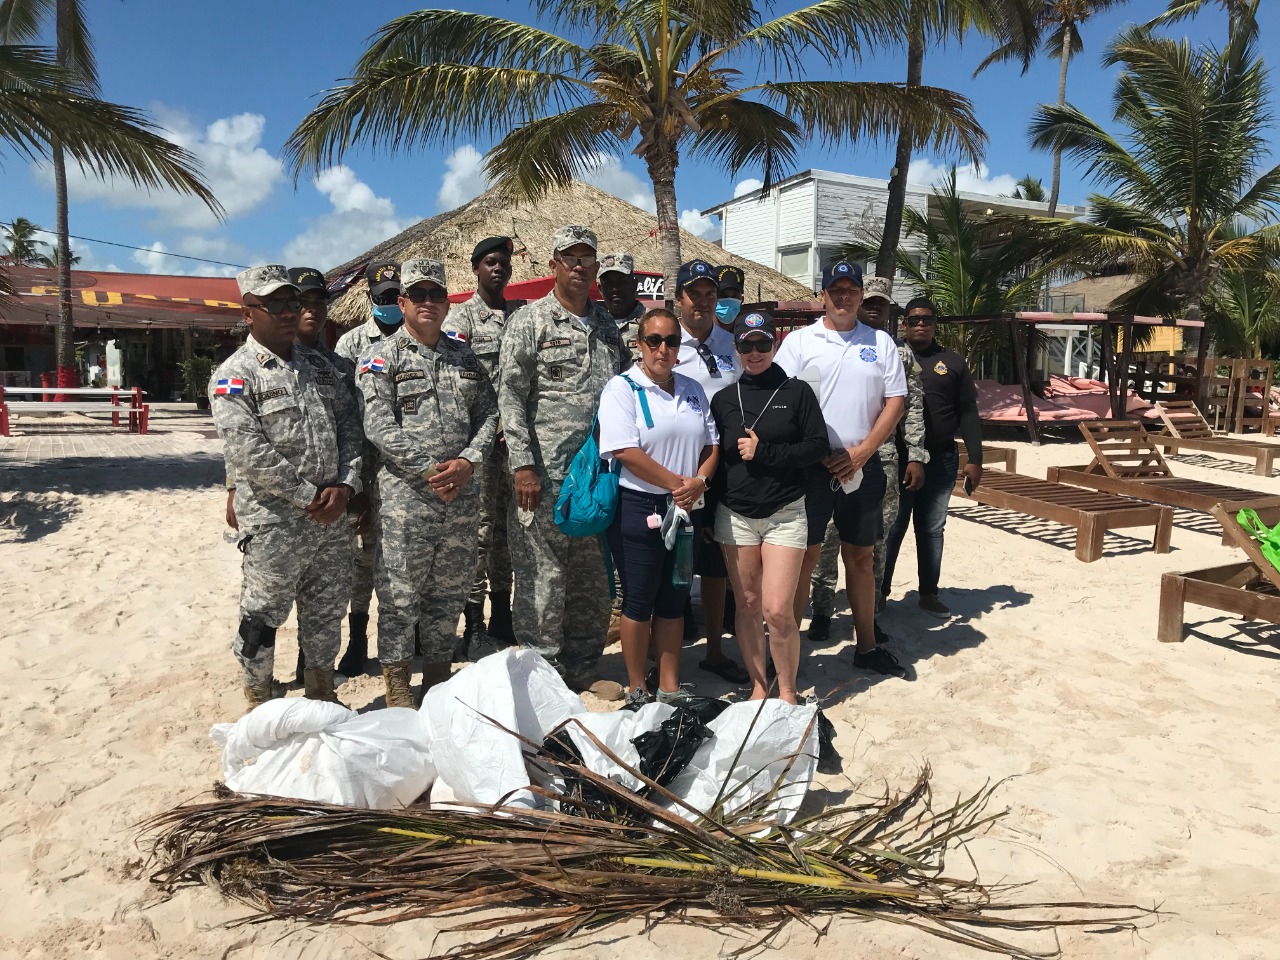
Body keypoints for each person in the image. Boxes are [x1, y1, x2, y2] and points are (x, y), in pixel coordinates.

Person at [210, 265, 363, 711]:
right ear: (248, 313)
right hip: (275, 523)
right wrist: (308, 496)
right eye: (274, 303)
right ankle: (259, 699)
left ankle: (321, 693)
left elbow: (351, 429)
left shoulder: (322, 368)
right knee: (261, 616)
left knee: (326, 612)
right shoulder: (235, 375)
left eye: (292, 302)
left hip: (331, 520)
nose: (288, 311)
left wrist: (346, 486)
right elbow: (248, 451)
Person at [358, 259, 499, 708]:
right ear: (402, 303)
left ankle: (437, 681)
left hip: (460, 498)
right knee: (399, 597)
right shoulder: (382, 358)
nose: (427, 302)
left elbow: (489, 414)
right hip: (407, 501)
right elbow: (378, 425)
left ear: (446, 303)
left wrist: (468, 461)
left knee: (449, 593)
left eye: (435, 295)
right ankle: (399, 689)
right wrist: (431, 470)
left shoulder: (465, 356)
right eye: (417, 295)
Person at [497, 225, 627, 700]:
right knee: (542, 580)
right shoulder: (530, 321)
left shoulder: (607, 326)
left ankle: (582, 667)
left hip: (595, 477)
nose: (578, 266)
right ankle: (543, 675)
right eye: (569, 257)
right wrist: (523, 465)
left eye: (586, 258)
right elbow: (510, 395)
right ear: (553, 265)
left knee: (591, 579)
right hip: (545, 477)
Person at [775, 260, 910, 680]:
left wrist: (863, 452)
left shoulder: (880, 342)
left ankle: (866, 646)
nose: (844, 297)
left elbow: (895, 402)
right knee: (804, 558)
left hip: (862, 466)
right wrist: (814, 451)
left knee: (861, 557)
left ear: (861, 296)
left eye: (851, 290)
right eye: (836, 290)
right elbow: (783, 401)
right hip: (810, 469)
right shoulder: (799, 342)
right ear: (823, 295)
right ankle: (787, 657)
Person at [599, 307, 719, 706]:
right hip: (640, 507)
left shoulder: (692, 389)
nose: (662, 349)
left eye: (671, 341)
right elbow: (624, 450)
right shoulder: (622, 389)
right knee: (639, 600)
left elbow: (712, 444)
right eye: (654, 340)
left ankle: (669, 686)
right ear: (639, 344)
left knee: (674, 598)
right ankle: (637, 687)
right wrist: (678, 485)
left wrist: (699, 482)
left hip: (687, 507)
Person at [712, 311, 828, 703]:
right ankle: (759, 686)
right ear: (736, 348)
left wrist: (765, 452)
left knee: (777, 609)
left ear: (775, 344)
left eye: (763, 343)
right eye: (746, 345)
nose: (755, 352)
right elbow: (716, 459)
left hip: (785, 513)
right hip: (735, 515)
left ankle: (788, 689)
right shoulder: (724, 399)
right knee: (747, 605)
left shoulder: (797, 392)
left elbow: (817, 447)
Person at [807, 276, 927, 643]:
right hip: (829, 460)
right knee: (826, 540)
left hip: (880, 459)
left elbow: (910, 406)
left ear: (889, 309)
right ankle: (822, 610)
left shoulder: (895, 350)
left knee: (874, 542)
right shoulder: (819, 342)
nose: (874, 308)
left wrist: (916, 454)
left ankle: (870, 616)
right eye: (869, 302)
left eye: (880, 304)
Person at [672, 258, 748, 685]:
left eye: (709, 294)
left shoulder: (732, 344)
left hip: (725, 470)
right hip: (680, 469)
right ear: (678, 298)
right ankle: (663, 655)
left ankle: (715, 652)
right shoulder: (666, 344)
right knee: (673, 561)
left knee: (718, 566)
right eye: (694, 294)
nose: (702, 302)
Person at [882, 297, 983, 617]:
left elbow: (968, 411)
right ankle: (880, 592)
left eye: (926, 319)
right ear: (905, 324)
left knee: (931, 529)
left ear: (935, 323)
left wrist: (975, 458)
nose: (920, 325)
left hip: (941, 458)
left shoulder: (952, 362)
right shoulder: (890, 356)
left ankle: (929, 593)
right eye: (913, 320)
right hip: (899, 458)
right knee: (892, 527)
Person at [332, 261, 405, 674]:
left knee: (405, 556)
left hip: (406, 471)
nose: (388, 302)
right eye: (382, 297)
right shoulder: (351, 344)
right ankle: (358, 638)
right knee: (362, 558)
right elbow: (344, 415)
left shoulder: (423, 338)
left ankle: (411, 633)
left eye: (394, 295)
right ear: (370, 298)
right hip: (365, 468)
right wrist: (354, 482)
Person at [446, 237, 516, 657]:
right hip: (481, 445)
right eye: (490, 262)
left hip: (516, 443)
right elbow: (458, 387)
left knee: (509, 530)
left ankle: (503, 615)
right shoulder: (462, 319)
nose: (498, 268)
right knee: (480, 532)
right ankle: (474, 623)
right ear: (476, 268)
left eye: (504, 262)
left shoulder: (520, 315)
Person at [598, 251, 644, 365]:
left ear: (634, 284)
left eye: (622, 282)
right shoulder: (593, 325)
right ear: (600, 289)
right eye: (608, 283)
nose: (615, 289)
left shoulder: (653, 323)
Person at [713, 265, 746, 331]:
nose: (729, 300)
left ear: (742, 300)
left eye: (734, 296)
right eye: (723, 295)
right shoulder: (699, 333)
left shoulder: (746, 334)